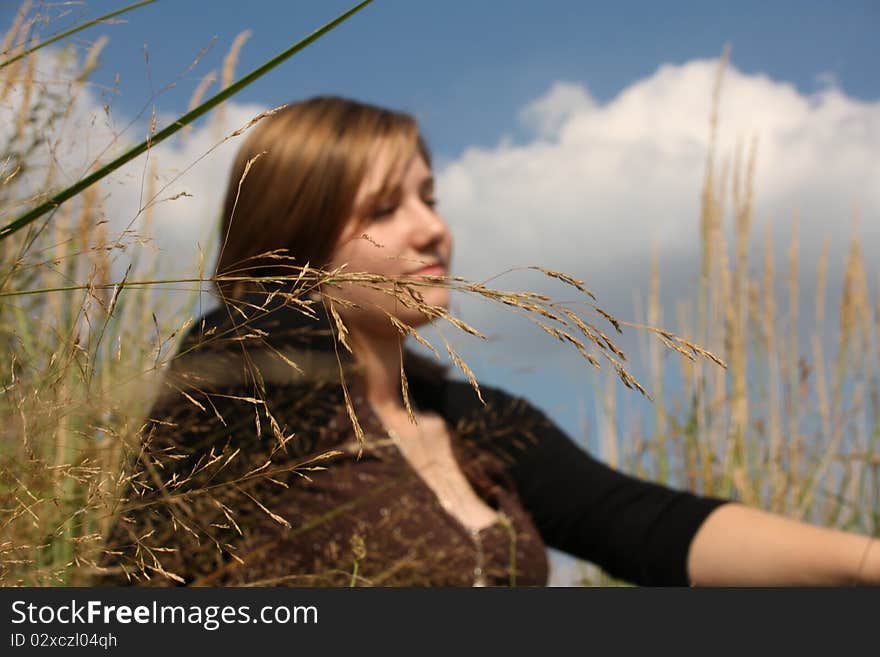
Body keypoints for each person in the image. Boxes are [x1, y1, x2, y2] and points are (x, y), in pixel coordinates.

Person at [98, 96, 879, 587]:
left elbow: (642, 524)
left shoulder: (473, 420)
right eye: (383, 207)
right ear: (293, 241)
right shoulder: (251, 377)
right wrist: (291, 297)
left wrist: (865, 563)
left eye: (430, 197)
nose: (433, 226)